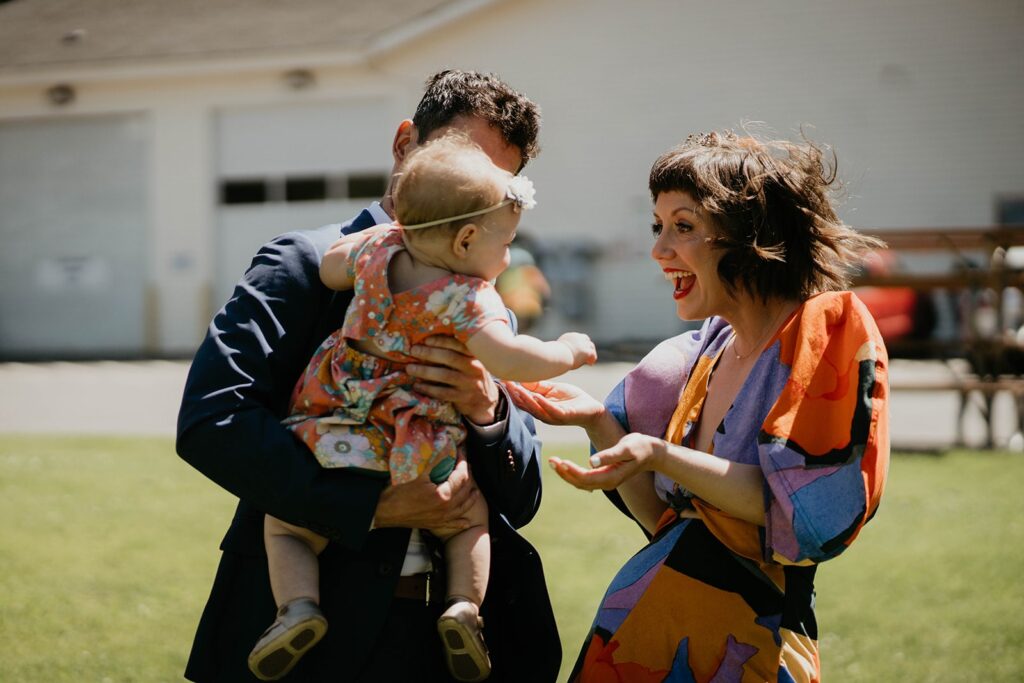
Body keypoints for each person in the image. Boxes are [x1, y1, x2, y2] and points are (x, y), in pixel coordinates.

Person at [177, 70, 562, 682]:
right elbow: (212, 422)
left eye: (496, 182)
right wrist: (368, 506)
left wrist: (489, 412)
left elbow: (525, 496)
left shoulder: (484, 302)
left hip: (432, 646)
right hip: (309, 635)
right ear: (405, 144)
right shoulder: (310, 263)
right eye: (459, 163)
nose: (473, 195)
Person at [507, 130, 890, 682]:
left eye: (683, 227)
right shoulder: (701, 354)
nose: (659, 251)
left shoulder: (824, 332)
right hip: (637, 646)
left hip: (751, 657)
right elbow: (666, 524)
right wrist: (596, 420)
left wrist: (660, 454)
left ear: (747, 234)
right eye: (658, 227)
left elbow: (799, 515)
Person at [248, 133, 596, 681]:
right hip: (419, 440)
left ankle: (295, 607)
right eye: (504, 243)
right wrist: (567, 352)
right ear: (464, 241)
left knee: (287, 529)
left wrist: (381, 240)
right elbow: (512, 360)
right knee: (466, 522)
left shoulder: (377, 250)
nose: (507, 257)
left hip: (337, 429)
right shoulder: (468, 296)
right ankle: (462, 606)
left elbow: (330, 269)